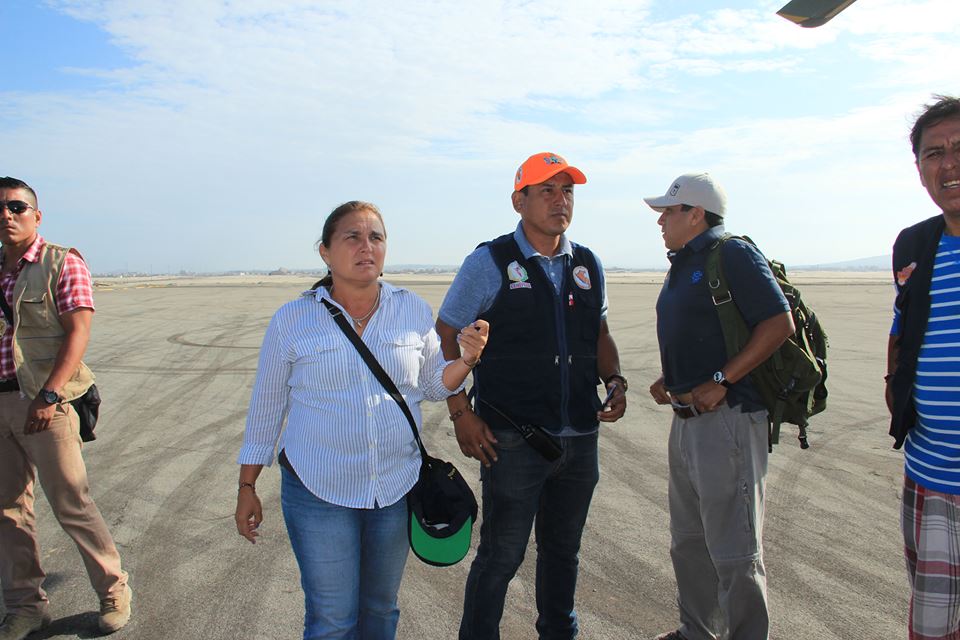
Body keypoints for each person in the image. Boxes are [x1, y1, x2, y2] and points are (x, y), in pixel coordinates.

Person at [235, 200, 488, 640]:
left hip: (392, 490)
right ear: (325, 252)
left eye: (376, 237)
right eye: (352, 236)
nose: (366, 246)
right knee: (332, 620)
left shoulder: (411, 309)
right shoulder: (294, 320)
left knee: (380, 612)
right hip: (319, 491)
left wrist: (465, 360)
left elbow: (431, 384)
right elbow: (266, 410)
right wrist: (247, 486)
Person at [436, 152, 627, 640]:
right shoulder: (491, 261)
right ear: (519, 200)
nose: (560, 200)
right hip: (512, 437)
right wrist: (460, 411)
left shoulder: (587, 264)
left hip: (580, 437)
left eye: (567, 191)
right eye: (547, 190)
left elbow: (599, 332)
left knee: (564, 552)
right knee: (502, 555)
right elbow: (445, 331)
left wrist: (616, 381)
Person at [643, 172, 793, 640]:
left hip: (727, 421)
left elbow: (778, 323)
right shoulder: (686, 261)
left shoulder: (732, 253)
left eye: (669, 211)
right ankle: (697, 632)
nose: (661, 220)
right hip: (687, 420)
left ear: (696, 213)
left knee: (734, 549)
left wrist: (720, 379)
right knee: (689, 542)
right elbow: (707, 331)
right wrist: (676, 379)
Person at [0, 177, 131, 640]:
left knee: (71, 502)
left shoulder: (61, 262)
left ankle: (113, 590)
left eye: (17, 207)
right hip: (0, 403)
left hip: (44, 403)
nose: (7, 215)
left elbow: (78, 333)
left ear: (37, 215)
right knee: (9, 512)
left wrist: (50, 396)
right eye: (1, 209)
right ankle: (25, 606)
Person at [887, 94, 960, 640]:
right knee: (934, 627)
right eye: (934, 153)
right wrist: (895, 388)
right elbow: (901, 328)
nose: (948, 164)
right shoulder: (914, 244)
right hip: (930, 475)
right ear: (919, 170)